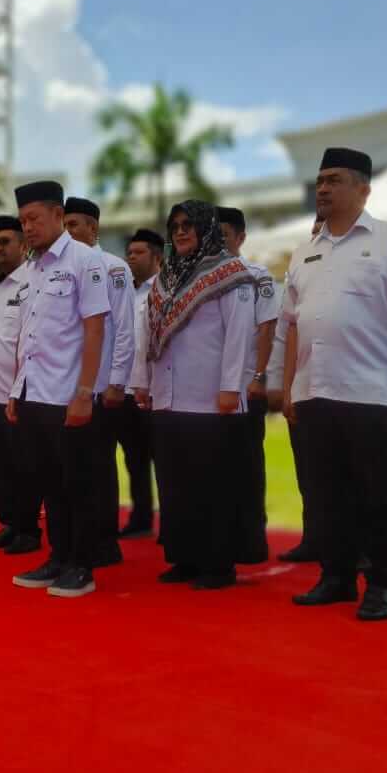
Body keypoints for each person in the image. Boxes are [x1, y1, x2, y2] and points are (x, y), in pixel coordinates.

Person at [283, 147, 387, 621]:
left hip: (369, 392)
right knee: (326, 495)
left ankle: (382, 584)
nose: (323, 188)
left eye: (334, 179)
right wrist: (290, 387)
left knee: (378, 496)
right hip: (313, 391)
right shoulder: (305, 251)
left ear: (363, 189)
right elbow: (293, 324)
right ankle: (337, 577)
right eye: (320, 180)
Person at [131, 200, 256, 589]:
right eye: (175, 226)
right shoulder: (165, 279)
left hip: (210, 400)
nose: (181, 231)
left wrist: (230, 388)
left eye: (189, 225)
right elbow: (146, 336)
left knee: (212, 487)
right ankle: (184, 558)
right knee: (175, 484)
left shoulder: (230, 274)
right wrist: (141, 382)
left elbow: (240, 336)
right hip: (167, 397)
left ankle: (218, 565)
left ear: (207, 228)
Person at [7, 180, 109, 598]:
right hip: (35, 394)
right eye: (22, 221)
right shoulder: (32, 269)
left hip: (68, 393)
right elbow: (29, 335)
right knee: (49, 483)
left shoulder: (86, 260)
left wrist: (85, 392)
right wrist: (16, 390)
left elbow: (95, 328)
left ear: (57, 214)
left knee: (78, 483)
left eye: (34, 218)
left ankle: (82, 565)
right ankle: (58, 557)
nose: (28, 228)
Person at [62, 198, 134, 567]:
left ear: (93, 228)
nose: (68, 232)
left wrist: (117, 382)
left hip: (101, 387)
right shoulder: (59, 270)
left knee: (99, 468)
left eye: (74, 225)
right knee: (71, 470)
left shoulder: (113, 267)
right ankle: (76, 541)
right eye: (64, 225)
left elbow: (124, 328)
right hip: (65, 388)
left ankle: (105, 542)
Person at [0, 216, 42, 554]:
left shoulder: (32, 284)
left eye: (5, 242)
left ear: (24, 246)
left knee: (23, 465)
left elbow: (31, 344)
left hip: (19, 395)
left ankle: (28, 530)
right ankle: (10, 524)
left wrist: (18, 391)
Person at [217, 206, 279, 566]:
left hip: (245, 387)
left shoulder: (257, 276)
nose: (217, 242)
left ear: (241, 238)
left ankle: (252, 543)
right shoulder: (200, 279)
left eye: (224, 235)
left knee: (248, 468)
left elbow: (267, 328)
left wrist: (259, 376)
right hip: (210, 392)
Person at [267, 214, 324, 563]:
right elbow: (284, 335)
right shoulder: (299, 272)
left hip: (348, 389)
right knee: (308, 470)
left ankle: (357, 545)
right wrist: (282, 386)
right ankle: (315, 538)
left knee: (347, 474)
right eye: (315, 232)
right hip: (304, 386)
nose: (319, 237)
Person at [119, 228, 164, 538]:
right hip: (125, 389)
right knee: (134, 459)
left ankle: (172, 522)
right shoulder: (125, 293)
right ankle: (141, 517)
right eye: (129, 253)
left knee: (164, 460)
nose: (131, 258)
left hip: (157, 389)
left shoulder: (165, 290)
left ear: (157, 256)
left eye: (138, 253)